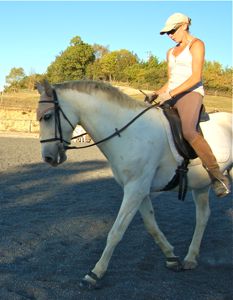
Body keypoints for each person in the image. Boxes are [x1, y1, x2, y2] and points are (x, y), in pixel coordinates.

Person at [148, 12, 230, 197]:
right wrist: (156, 93)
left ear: (184, 25)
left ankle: (217, 177)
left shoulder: (197, 44)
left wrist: (170, 94)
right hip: (172, 93)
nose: (169, 35)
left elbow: (195, 77)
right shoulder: (170, 52)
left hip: (191, 93)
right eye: (167, 32)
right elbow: (171, 80)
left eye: (172, 30)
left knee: (188, 131)